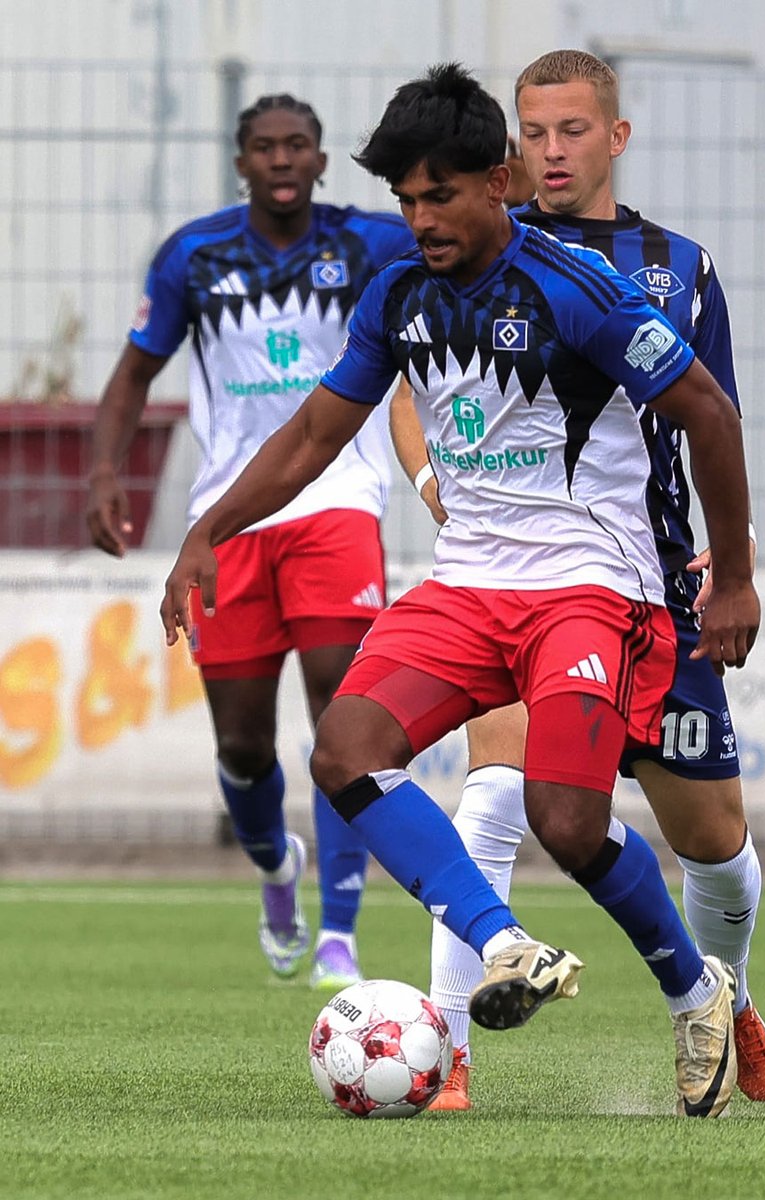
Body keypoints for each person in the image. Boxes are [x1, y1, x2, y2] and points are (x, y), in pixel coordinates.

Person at [160, 62, 761, 1118]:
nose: (421, 218)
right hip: (469, 585)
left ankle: (692, 988)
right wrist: (207, 529)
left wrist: (736, 578)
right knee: (345, 750)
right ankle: (504, 941)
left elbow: (708, 412)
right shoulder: (399, 293)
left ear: (502, 180)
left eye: (440, 195)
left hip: (590, 588)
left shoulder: (581, 292)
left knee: (569, 824)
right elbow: (313, 432)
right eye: (405, 199)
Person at [397, 50, 765, 1113]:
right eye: (533, 131)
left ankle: (731, 1002)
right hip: (520, 579)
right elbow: (404, 377)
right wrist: (436, 475)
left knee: (712, 846)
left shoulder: (678, 265)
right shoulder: (471, 245)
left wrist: (730, 564)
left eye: (572, 130)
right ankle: (443, 1056)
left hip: (652, 586)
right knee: (495, 794)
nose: (550, 150)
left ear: (615, 138)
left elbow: (717, 416)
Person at [86, 93, 414, 990]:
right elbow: (132, 372)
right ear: (242, 162)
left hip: (338, 503)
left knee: (340, 709)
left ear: (318, 160)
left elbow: (466, 245)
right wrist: (105, 473)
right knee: (240, 744)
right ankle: (278, 869)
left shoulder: (370, 244)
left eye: (297, 145)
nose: (280, 159)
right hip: (227, 520)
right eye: (263, 146)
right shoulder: (196, 256)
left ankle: (341, 934)